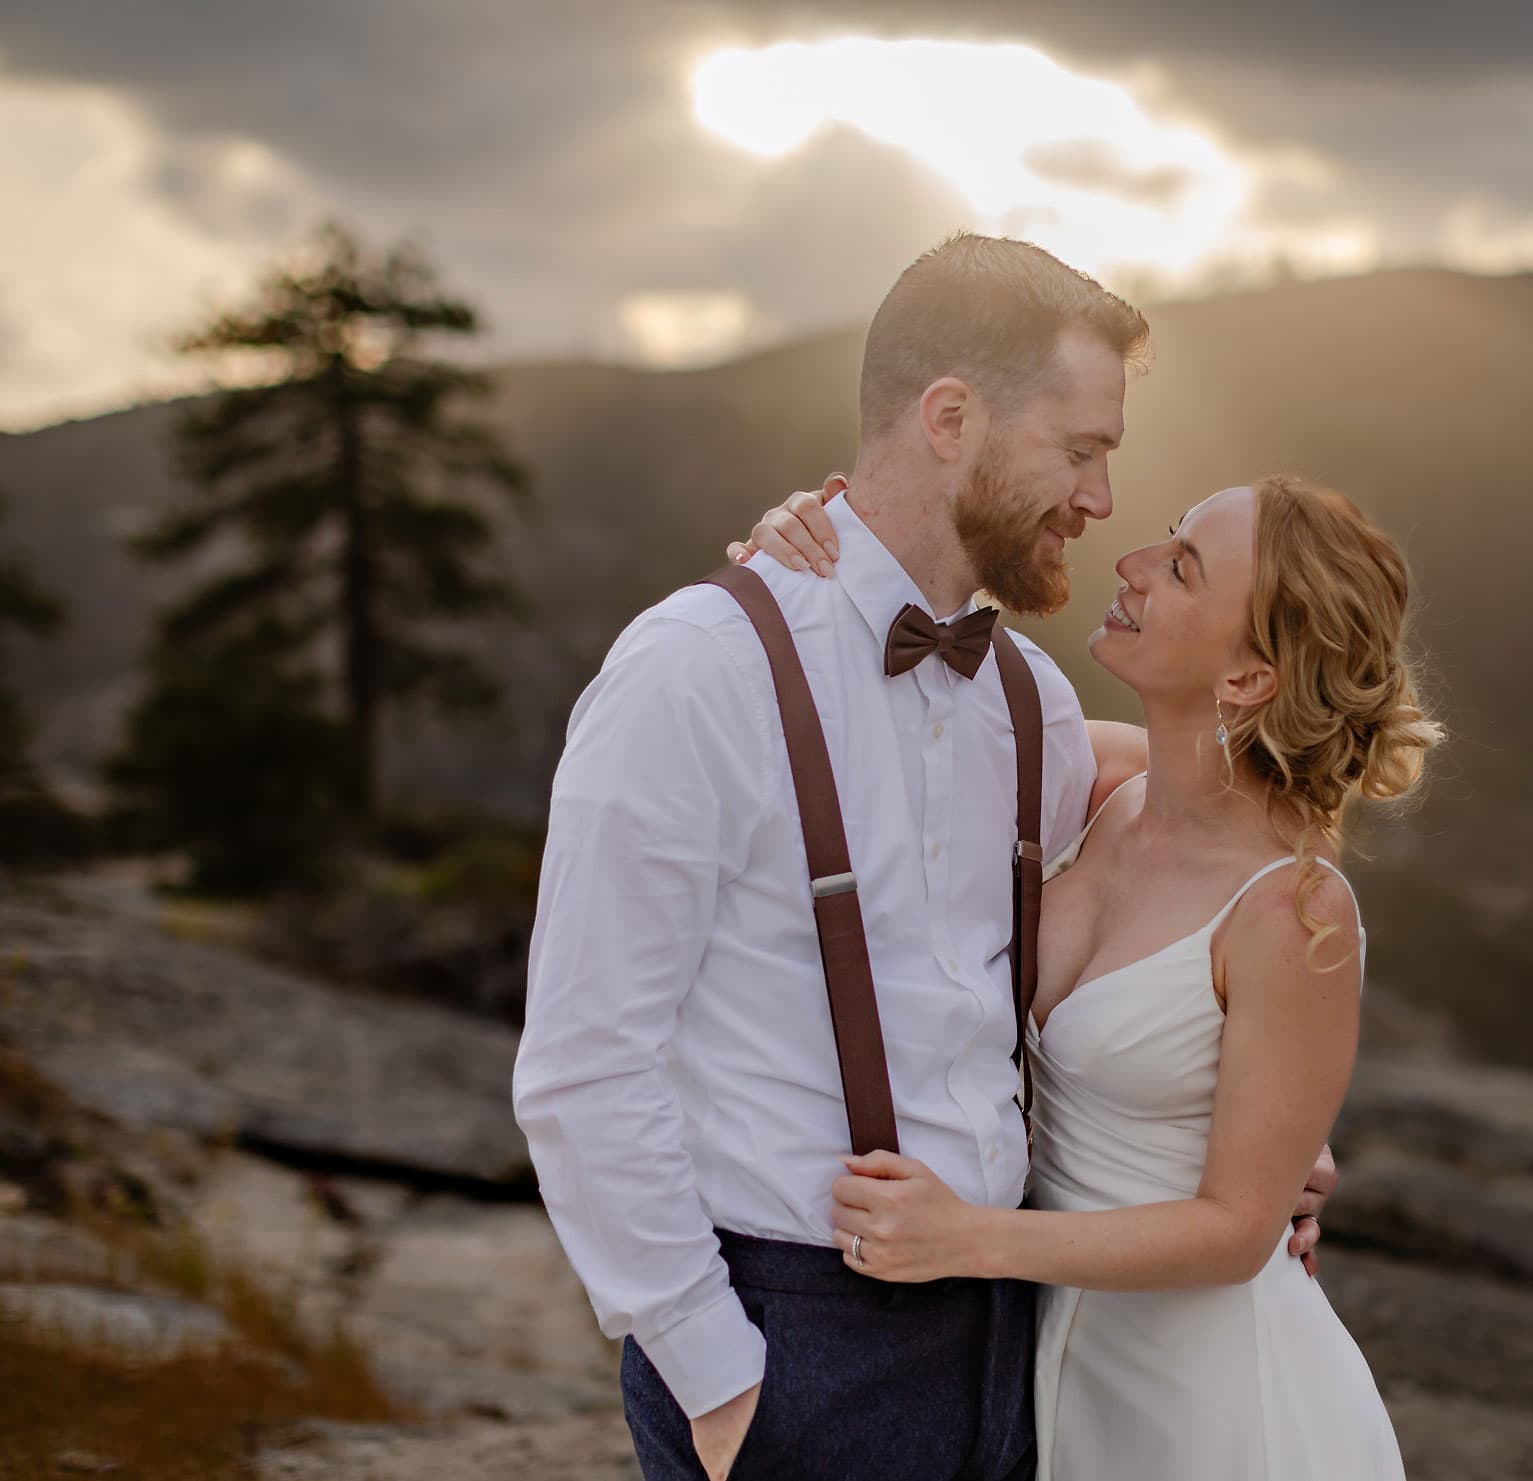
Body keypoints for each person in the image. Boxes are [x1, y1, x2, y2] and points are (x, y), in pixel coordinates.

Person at [511, 232, 1339, 1481]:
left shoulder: (1035, 704)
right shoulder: (697, 669)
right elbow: (581, 1061)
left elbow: (1229, 837)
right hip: (790, 1343)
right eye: (1079, 449)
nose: (1099, 502)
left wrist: (1285, 1123)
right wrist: (715, 1372)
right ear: (950, 416)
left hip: (1016, 1336)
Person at [741, 472, 1439, 1477]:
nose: (1132, 563)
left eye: (1182, 566)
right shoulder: (1093, 779)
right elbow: (877, 717)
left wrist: (964, 1237)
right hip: (1057, 1372)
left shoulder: (1295, 907)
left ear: (1246, 676)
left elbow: (1235, 1233)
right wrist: (800, 540)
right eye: (1164, 539)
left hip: (1221, 1408)